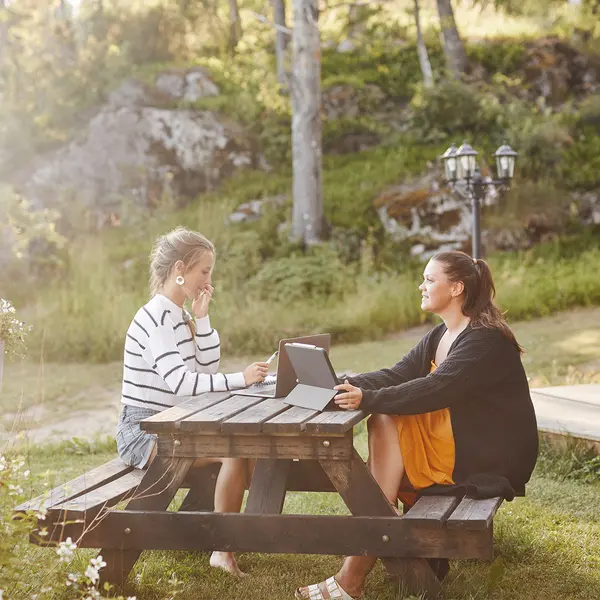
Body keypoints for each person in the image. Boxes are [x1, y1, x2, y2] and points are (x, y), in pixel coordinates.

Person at [296, 250, 538, 600]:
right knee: (382, 434)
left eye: (429, 279)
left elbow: (435, 389)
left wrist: (366, 399)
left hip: (484, 458)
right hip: (459, 442)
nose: (420, 286)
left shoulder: (485, 340)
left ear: (456, 288)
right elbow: (397, 374)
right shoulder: (443, 334)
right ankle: (378, 538)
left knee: (382, 424)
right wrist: (342, 382)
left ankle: (352, 576)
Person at [116, 226, 269, 577]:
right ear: (180, 269)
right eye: (205, 271)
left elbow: (205, 367)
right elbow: (184, 384)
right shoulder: (156, 318)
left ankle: (223, 534)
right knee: (234, 449)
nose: (208, 279)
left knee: (244, 448)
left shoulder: (179, 314)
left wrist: (202, 318)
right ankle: (222, 548)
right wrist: (241, 379)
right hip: (142, 431)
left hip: (173, 423)